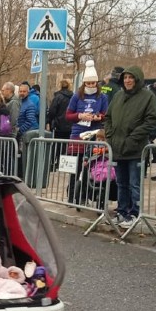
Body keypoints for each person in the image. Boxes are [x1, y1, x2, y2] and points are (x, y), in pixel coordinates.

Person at [98, 66, 156, 228]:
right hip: (117, 147)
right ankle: (122, 212)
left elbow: (151, 120)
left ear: (137, 79)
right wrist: (110, 135)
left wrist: (133, 139)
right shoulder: (118, 95)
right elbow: (108, 118)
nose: (128, 80)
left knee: (134, 184)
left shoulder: (147, 97)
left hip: (135, 149)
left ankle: (135, 213)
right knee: (121, 184)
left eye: (131, 77)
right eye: (125, 78)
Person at [65, 61, 110, 208]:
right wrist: (80, 116)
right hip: (78, 135)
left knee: (91, 167)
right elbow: (68, 115)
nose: (91, 85)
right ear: (84, 83)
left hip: (94, 134)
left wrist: (98, 117)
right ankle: (72, 197)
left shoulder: (102, 97)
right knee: (75, 168)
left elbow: (105, 114)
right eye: (88, 83)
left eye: (93, 83)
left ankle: (85, 196)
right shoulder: (76, 97)